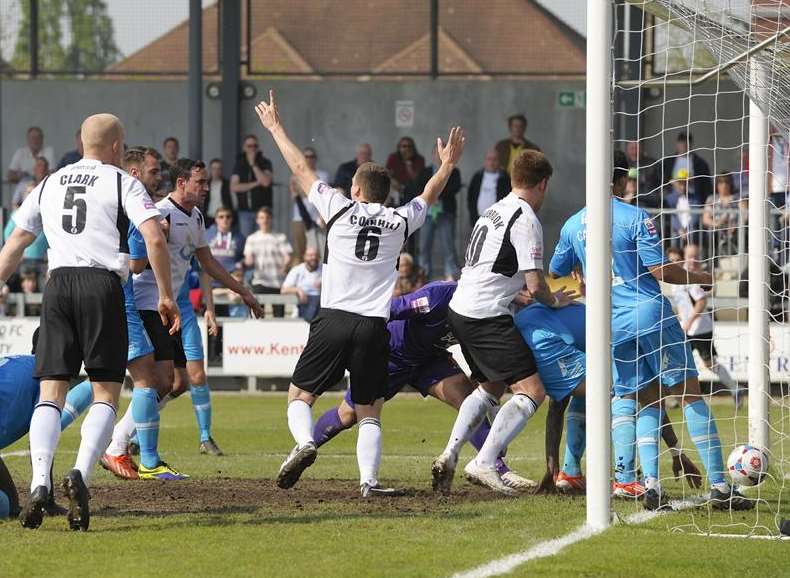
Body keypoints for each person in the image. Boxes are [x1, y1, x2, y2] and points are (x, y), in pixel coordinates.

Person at [255, 90, 465, 497]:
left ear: (355, 189)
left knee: (301, 394)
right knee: (369, 409)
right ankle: (369, 482)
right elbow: (428, 195)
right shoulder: (399, 220)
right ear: (385, 194)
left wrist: (276, 127)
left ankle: (304, 442)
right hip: (374, 325)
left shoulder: (336, 207)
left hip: (334, 318)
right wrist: (448, 164)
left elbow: (299, 167)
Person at [0, 113, 180, 531]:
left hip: (58, 285)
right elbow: (154, 237)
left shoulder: (47, 183)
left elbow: (16, 242)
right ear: (117, 146)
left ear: (81, 142)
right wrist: (167, 295)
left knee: (51, 392)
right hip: (103, 286)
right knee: (105, 392)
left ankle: (40, 483)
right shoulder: (122, 181)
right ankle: (79, 473)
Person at [549, 149, 753, 511]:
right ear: (620, 181)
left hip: (610, 322)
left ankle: (648, 484)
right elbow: (661, 272)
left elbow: (556, 268)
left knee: (639, 397)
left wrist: (583, 270)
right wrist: (704, 277)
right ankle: (721, 487)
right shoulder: (635, 216)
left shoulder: (571, 223)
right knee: (690, 394)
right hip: (648, 313)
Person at [101, 158, 264, 477]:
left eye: (206, 183)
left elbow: (208, 262)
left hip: (172, 308)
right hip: (149, 305)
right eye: (200, 183)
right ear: (182, 183)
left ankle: (122, 444)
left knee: (176, 382)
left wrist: (241, 290)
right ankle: (126, 449)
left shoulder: (197, 216)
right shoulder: (157, 213)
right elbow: (137, 258)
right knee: (155, 380)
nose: (206, 188)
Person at [432, 149, 572, 496]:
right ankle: (485, 461)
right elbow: (537, 283)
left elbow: (492, 268)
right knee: (532, 391)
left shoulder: (492, 210)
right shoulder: (526, 218)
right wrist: (554, 301)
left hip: (461, 307)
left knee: (491, 386)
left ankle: (449, 455)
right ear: (543, 184)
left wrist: (514, 293)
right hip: (485, 314)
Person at [310, 281, 535, 493]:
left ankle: (495, 467)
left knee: (467, 399)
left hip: (430, 360)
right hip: (393, 356)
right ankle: (305, 446)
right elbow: (391, 308)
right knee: (348, 415)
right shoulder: (439, 295)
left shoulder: (485, 309)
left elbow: (475, 351)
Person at [667, 244, 739, 406]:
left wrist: (688, 322)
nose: (674, 263)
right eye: (671, 261)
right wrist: (680, 319)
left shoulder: (688, 278)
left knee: (707, 363)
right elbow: (682, 304)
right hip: (688, 328)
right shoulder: (673, 279)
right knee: (679, 361)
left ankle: (735, 389)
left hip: (699, 328)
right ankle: (679, 397)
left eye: (677, 260)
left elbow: (701, 301)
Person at [411, 145, 462, 280]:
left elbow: (454, 188)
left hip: (445, 213)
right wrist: (432, 194)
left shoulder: (454, 171)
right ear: (433, 155)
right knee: (423, 247)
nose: (439, 156)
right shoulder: (425, 171)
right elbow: (418, 188)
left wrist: (435, 193)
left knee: (448, 246)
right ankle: (424, 276)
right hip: (427, 215)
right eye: (436, 153)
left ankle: (451, 277)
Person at [244, 207, 292, 317]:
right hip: (259, 282)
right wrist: (247, 262)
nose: (264, 220)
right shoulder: (251, 238)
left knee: (279, 317)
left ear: (271, 219)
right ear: (257, 220)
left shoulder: (280, 237)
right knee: (258, 317)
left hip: (277, 282)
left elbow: (287, 256)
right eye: (261, 218)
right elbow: (248, 259)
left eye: (267, 217)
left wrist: (285, 265)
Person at [231, 135, 274, 238]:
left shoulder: (265, 162)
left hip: (263, 209)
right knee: (247, 241)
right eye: (249, 146)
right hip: (245, 210)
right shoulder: (239, 164)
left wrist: (253, 165)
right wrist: (255, 183)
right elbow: (234, 187)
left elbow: (266, 182)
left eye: (255, 146)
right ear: (244, 148)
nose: (252, 148)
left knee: (264, 239)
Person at [289, 147, 327, 265]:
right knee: (299, 252)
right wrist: (310, 189)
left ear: (315, 159)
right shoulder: (295, 175)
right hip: (299, 218)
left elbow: (323, 195)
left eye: (312, 156)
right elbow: (295, 193)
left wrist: (303, 189)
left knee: (318, 251)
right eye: (306, 157)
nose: (309, 159)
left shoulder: (323, 175)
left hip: (317, 218)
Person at [662, 131, 712, 206]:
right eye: (681, 141)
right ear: (677, 143)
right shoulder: (668, 162)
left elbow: (705, 184)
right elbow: (662, 179)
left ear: (690, 144)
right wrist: (673, 182)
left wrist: (691, 181)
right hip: (673, 195)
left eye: (687, 141)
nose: (684, 144)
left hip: (692, 197)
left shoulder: (700, 163)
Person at [467, 149, 510, 226]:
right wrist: (473, 215)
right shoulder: (477, 177)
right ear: (485, 161)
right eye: (489, 159)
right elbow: (471, 197)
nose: (491, 162)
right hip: (479, 219)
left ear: (499, 161)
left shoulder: (505, 178)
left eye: (494, 159)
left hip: (498, 222)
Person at [702, 173, 741, 256]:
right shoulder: (711, 199)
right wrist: (717, 224)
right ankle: (712, 263)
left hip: (734, 230)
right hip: (716, 229)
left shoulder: (738, 198)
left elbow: (745, 215)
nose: (724, 185)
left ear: (731, 184)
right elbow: (706, 219)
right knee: (711, 235)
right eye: (721, 182)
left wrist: (736, 225)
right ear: (717, 185)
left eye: (727, 182)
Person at [281, 246, 322, 322]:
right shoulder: (297, 270)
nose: (313, 257)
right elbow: (283, 290)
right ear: (304, 257)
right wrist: (298, 290)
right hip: (303, 304)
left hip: (320, 303)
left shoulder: (324, 270)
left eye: (315, 255)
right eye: (310, 255)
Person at [206, 207, 245, 281]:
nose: (225, 219)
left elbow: (243, 258)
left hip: (231, 277)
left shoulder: (240, 237)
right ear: (216, 219)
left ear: (232, 219)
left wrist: (239, 266)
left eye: (228, 216)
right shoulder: (206, 234)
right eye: (221, 217)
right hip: (210, 277)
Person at [387, 137, 425, 204]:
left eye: (409, 146)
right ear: (399, 147)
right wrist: (393, 182)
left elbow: (417, 179)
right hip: (396, 188)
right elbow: (387, 173)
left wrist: (408, 163)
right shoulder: (393, 157)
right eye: (404, 146)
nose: (407, 149)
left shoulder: (419, 159)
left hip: (413, 189)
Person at [624, 140, 661, 208]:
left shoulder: (652, 164)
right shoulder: (623, 164)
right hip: (626, 200)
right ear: (627, 150)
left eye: (636, 148)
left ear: (642, 149)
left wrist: (635, 194)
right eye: (632, 148)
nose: (634, 151)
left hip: (647, 201)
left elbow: (660, 185)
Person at [204, 158, 232, 224]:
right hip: (209, 217)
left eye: (219, 168)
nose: (216, 171)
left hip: (223, 217)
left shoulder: (227, 184)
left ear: (222, 170)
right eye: (214, 168)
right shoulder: (205, 185)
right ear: (210, 170)